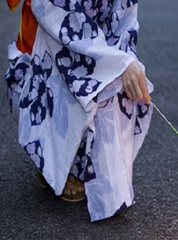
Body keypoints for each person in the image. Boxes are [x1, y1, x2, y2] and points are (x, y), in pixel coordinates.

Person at [6, 0, 154, 222]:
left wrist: (126, 62)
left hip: (89, 53)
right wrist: (118, 63)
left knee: (118, 80)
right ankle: (52, 154)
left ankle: (71, 158)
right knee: (88, 78)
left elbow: (125, 25)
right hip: (38, 66)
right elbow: (65, 25)